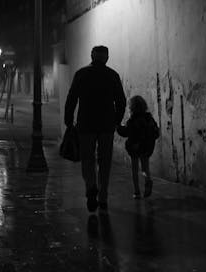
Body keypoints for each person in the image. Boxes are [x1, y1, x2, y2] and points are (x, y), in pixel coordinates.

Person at [65, 46, 126, 212]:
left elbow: (71, 98)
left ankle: (91, 187)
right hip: (106, 124)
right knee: (105, 160)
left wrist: (68, 121)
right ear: (106, 58)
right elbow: (121, 100)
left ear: (92, 56)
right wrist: (117, 120)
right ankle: (103, 196)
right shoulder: (112, 75)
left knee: (87, 159)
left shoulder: (81, 74)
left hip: (85, 123)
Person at [117, 95, 160, 198]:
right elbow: (155, 132)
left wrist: (117, 127)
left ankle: (136, 191)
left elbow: (125, 132)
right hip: (146, 147)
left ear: (132, 108)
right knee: (145, 168)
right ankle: (147, 180)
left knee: (135, 169)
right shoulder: (149, 118)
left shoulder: (132, 121)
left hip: (135, 148)